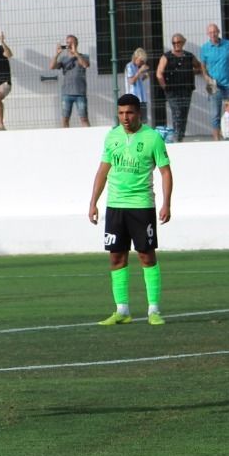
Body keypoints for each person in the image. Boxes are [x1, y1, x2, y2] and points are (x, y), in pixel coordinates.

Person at [90, 94, 172, 326]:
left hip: (141, 206)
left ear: (139, 113)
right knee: (116, 256)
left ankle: (154, 310)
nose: (125, 118)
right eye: (121, 113)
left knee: (146, 255)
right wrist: (93, 202)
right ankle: (122, 310)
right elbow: (102, 171)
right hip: (115, 206)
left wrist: (166, 203)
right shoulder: (112, 137)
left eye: (130, 113)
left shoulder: (152, 138)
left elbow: (166, 172)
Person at [156, 34, 204, 143]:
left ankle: (181, 135)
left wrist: (192, 72)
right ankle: (177, 135)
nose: (176, 45)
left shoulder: (189, 56)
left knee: (183, 112)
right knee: (176, 111)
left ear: (183, 42)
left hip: (186, 89)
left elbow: (199, 66)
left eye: (178, 42)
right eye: (174, 43)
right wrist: (164, 86)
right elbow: (159, 73)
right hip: (172, 90)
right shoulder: (166, 57)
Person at [200, 23, 229, 140]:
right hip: (214, 85)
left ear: (218, 32)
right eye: (210, 32)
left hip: (228, 84)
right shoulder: (205, 48)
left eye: (215, 32)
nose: (213, 34)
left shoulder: (228, 44)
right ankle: (217, 140)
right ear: (207, 34)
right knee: (215, 114)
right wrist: (206, 77)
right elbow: (203, 66)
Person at [51, 35, 90, 128]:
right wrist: (57, 54)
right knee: (65, 119)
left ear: (76, 44)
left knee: (84, 118)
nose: (69, 45)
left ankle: (88, 138)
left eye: (71, 43)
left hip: (80, 93)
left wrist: (75, 53)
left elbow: (85, 65)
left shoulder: (84, 56)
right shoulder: (64, 58)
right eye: (67, 43)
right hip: (67, 93)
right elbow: (52, 67)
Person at [123, 47, 152, 121]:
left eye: (143, 61)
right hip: (133, 98)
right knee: (135, 120)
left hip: (142, 98)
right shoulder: (129, 66)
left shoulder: (137, 67)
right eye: (141, 61)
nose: (142, 63)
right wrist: (140, 71)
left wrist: (145, 76)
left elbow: (138, 81)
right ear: (136, 57)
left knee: (143, 121)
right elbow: (131, 81)